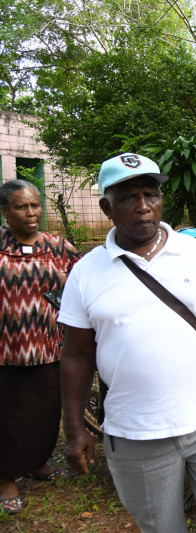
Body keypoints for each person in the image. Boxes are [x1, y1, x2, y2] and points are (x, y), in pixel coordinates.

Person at [58, 153, 196, 533]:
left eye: (151, 195)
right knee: (161, 526)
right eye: (129, 198)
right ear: (107, 207)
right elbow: (77, 354)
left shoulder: (195, 254)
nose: (143, 207)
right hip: (135, 433)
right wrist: (73, 427)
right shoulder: (86, 273)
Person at [0, 180, 80, 515]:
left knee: (44, 413)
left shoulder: (60, 248)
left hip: (49, 347)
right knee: (6, 415)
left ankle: (37, 463)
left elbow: (80, 290)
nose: (31, 213)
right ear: (6, 211)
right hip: (6, 351)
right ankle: (4, 478)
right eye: (21, 206)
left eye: (35, 205)